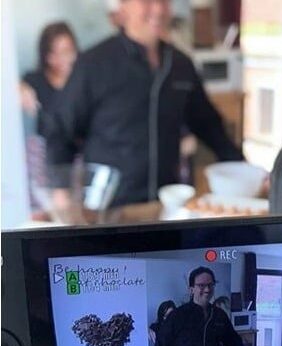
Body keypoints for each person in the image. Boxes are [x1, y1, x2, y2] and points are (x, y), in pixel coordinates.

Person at [45, 0, 244, 208]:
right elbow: (60, 129)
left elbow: (209, 125)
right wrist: (61, 192)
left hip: (166, 204)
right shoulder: (93, 63)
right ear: (123, 7)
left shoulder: (180, 65)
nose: (158, 9)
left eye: (164, 1)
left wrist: (242, 168)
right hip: (108, 208)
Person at [19, 22, 78, 219]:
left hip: (76, 150)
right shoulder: (35, 79)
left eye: (68, 51)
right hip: (43, 151)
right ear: (46, 56)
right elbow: (15, 86)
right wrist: (21, 90)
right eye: (55, 53)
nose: (63, 59)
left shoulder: (83, 79)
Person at [153, 267, 249, 346]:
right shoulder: (177, 315)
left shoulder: (219, 315)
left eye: (210, 285)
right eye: (201, 285)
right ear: (191, 289)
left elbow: (234, 342)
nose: (207, 289)